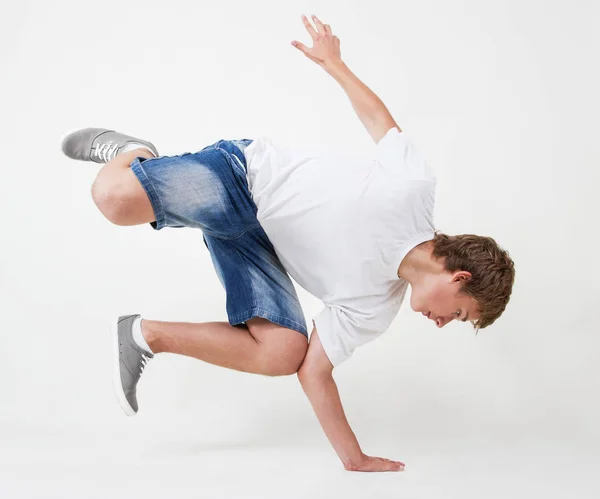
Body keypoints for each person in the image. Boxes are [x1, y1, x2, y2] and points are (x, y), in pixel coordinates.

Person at [61, 14, 515, 473]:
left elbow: (314, 371)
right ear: (460, 276)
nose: (443, 323)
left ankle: (145, 334)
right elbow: (379, 120)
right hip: (245, 177)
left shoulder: (374, 308)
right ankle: (135, 152)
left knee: (283, 352)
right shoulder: (413, 189)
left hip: (259, 247)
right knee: (113, 200)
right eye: (458, 313)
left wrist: (353, 458)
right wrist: (333, 63)